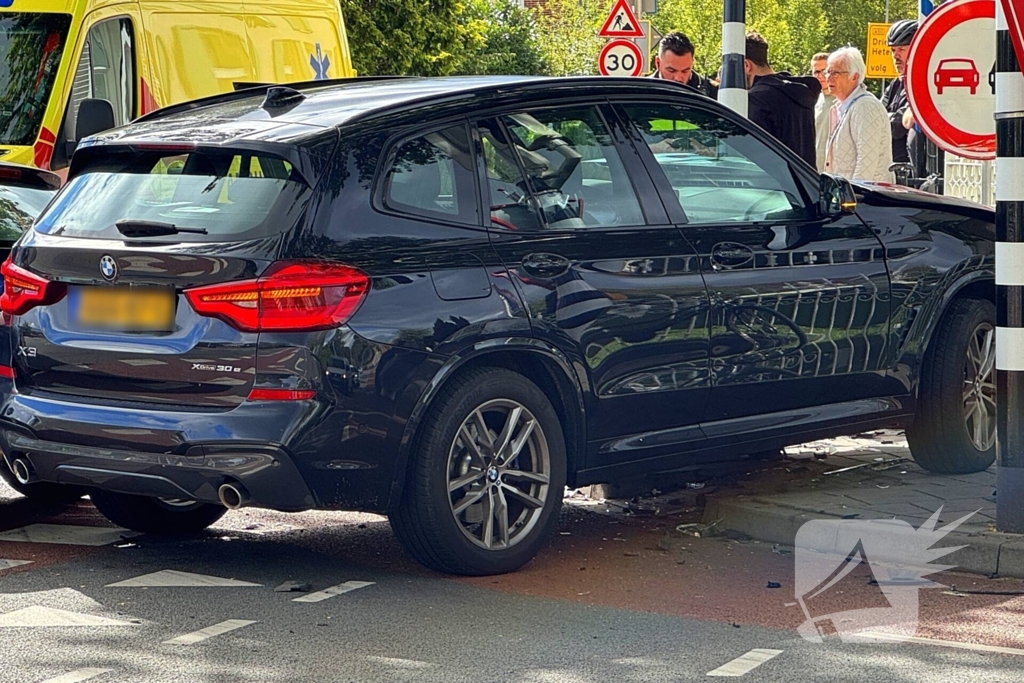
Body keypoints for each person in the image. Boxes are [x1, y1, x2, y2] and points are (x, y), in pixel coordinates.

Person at [743, 31, 821, 167]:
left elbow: (754, 157)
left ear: (746, 65)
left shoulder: (757, 99)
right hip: (805, 184)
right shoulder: (800, 92)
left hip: (774, 185)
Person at [824, 47, 893, 182]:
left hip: (865, 198)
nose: (828, 78)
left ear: (854, 77)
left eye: (835, 73)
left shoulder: (866, 106)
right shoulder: (841, 106)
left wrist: (854, 197)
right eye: (828, 72)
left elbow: (867, 162)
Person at [880, 20, 920, 173]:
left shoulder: (926, 84)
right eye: (893, 50)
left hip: (914, 173)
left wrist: (892, 119)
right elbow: (877, 119)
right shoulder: (897, 84)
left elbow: (900, 125)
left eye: (902, 49)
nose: (896, 55)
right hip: (893, 170)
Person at [650, 32, 719, 98]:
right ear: (658, 63)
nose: (678, 78)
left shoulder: (713, 93)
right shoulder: (643, 90)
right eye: (671, 70)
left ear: (692, 63)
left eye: (685, 71)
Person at [811, 52, 837, 172]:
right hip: (814, 169)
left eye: (824, 71)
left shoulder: (841, 100)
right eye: (816, 72)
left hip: (834, 171)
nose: (820, 76)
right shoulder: (813, 100)